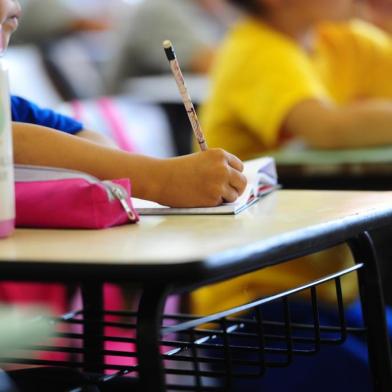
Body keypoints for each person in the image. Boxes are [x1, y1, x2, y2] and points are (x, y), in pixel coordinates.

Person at [1, 0, 246, 209]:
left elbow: (89, 141)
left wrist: (109, 167)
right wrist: (159, 178)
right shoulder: (162, 10)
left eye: (8, 23)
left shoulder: (12, 107)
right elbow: (10, 140)